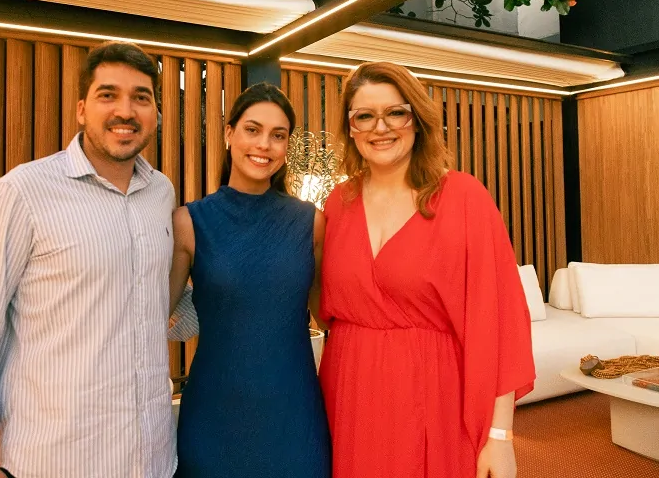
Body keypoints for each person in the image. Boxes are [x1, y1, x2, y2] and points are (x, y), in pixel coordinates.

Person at [0, 42, 181, 478]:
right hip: (53, 459)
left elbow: (159, 302)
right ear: (82, 109)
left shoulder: (161, 193)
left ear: (156, 113)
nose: (126, 110)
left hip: (151, 458)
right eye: (109, 95)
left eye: (141, 97)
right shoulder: (21, 193)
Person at [318, 62, 535, 478]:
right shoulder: (337, 203)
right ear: (350, 128)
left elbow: (500, 322)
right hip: (349, 394)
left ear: (416, 119)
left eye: (394, 112)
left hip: (433, 395)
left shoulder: (463, 197)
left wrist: (500, 435)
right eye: (364, 116)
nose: (380, 127)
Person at [167, 83, 331, 478]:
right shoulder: (189, 222)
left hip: (295, 416)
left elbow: (328, 316)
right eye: (252, 130)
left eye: (278, 135)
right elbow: (151, 316)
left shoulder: (311, 223)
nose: (264, 144)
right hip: (213, 416)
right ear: (229, 134)